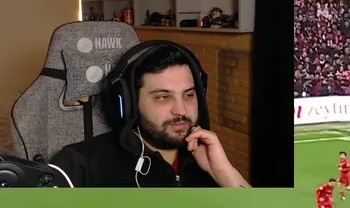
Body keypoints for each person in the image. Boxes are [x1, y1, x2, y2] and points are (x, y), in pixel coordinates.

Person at [49, 41, 249, 188]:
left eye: (189, 95)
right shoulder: (82, 164)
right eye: (163, 97)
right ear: (131, 102)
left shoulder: (206, 160)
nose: (181, 110)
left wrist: (223, 172)